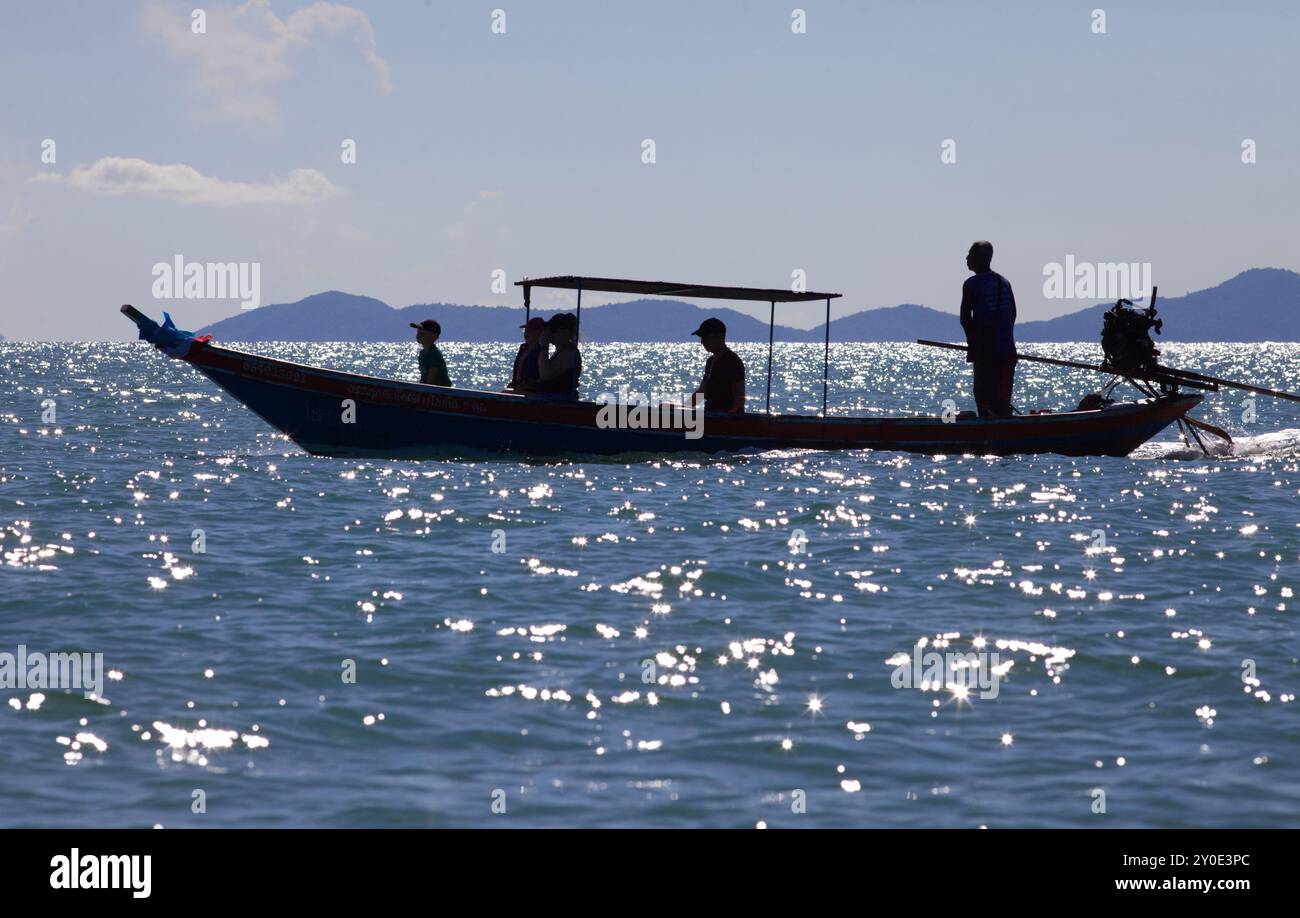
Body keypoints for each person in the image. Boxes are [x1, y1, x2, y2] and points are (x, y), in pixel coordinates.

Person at [958, 240, 1017, 418]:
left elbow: (965, 319)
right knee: (1001, 403)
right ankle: (1006, 438)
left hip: (986, 353)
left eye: (970, 254)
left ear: (982, 259)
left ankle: (988, 442)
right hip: (1007, 352)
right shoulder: (1004, 282)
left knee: (984, 400)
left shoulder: (971, 284)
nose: (966, 258)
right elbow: (1013, 315)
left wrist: (973, 344)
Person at [691, 317, 745, 413]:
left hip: (724, 420)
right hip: (710, 416)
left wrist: (729, 420)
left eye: (705, 337)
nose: (702, 342)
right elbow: (702, 392)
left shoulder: (733, 362)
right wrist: (682, 408)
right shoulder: (710, 362)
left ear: (719, 337)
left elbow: (739, 398)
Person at [534, 313, 582, 399]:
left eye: (553, 330)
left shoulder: (570, 353)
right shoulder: (560, 351)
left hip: (560, 400)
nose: (550, 334)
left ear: (566, 331)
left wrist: (544, 347)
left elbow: (545, 375)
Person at [410, 319, 452, 387]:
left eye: (422, 333)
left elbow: (431, 381)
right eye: (418, 333)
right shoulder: (422, 354)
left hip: (442, 391)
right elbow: (424, 377)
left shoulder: (434, 354)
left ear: (434, 336)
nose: (418, 336)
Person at [508, 317, 545, 392]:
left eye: (530, 331)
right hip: (518, 387)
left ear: (539, 333)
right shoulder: (523, 349)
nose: (526, 333)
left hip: (530, 390)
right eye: (525, 331)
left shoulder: (541, 353)